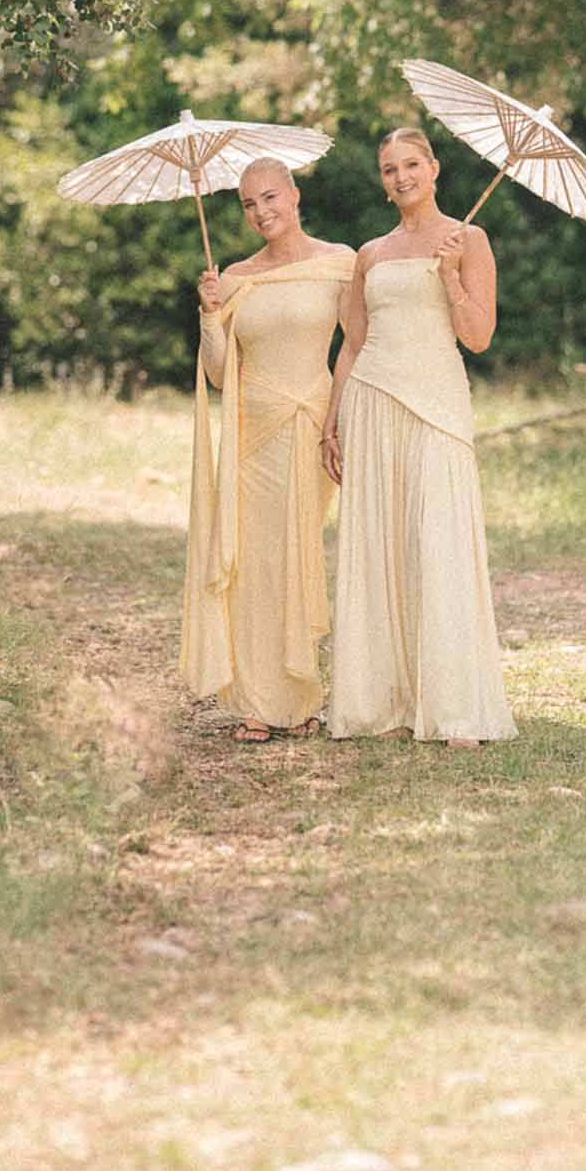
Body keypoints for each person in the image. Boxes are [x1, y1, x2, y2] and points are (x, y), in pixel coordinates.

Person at [320, 127, 516, 747]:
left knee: (440, 542)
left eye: (411, 164)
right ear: (382, 182)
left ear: (434, 169)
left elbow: (478, 336)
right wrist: (333, 419)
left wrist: (453, 276)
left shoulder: (471, 237)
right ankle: (387, 700)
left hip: (436, 404)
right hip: (372, 400)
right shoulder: (370, 254)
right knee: (381, 545)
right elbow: (352, 341)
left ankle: (455, 708)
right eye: (388, 169)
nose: (401, 176)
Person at [180, 158, 354, 743]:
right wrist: (210, 314)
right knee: (251, 563)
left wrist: (337, 423)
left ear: (296, 195)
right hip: (251, 434)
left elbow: (355, 347)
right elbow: (222, 374)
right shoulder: (235, 279)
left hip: (309, 426)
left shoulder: (339, 264)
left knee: (297, 554)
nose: (261, 212)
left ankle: (301, 697)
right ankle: (257, 704)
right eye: (249, 204)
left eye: (271, 198)